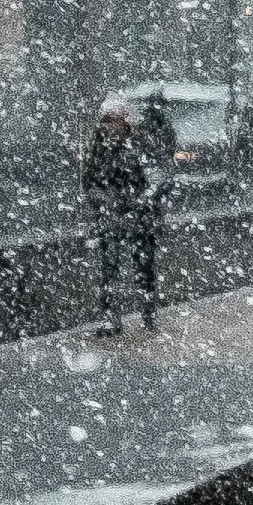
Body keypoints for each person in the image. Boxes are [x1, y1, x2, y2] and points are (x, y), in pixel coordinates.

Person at [80, 100, 171, 332]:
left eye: (116, 119)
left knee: (143, 268)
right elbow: (90, 181)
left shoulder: (138, 143)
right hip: (114, 218)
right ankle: (113, 317)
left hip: (138, 218)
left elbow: (158, 177)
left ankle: (148, 315)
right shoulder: (101, 146)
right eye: (109, 120)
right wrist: (105, 199)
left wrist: (144, 204)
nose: (112, 125)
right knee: (111, 269)